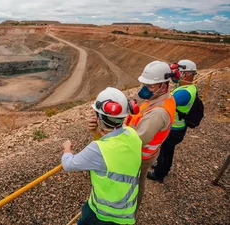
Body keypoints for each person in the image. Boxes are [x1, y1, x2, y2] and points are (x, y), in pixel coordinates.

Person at [88, 60, 176, 209]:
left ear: (164, 85)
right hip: (146, 153)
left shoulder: (158, 113)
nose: (145, 89)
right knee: (137, 181)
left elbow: (135, 140)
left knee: (134, 183)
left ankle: (129, 211)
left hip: (140, 156)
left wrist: (105, 133)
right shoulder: (159, 99)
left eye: (150, 86)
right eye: (144, 84)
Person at [62, 87, 142, 225]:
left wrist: (66, 149)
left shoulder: (98, 149)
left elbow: (68, 165)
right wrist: (96, 132)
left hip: (102, 215)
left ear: (99, 117)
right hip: (126, 213)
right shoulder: (132, 134)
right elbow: (112, 148)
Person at [147, 59, 198, 183]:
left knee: (165, 151)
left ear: (187, 74)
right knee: (168, 151)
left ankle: (159, 174)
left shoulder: (183, 93)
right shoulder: (189, 87)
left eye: (178, 72)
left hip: (173, 129)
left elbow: (164, 104)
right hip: (178, 128)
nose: (175, 75)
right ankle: (163, 167)